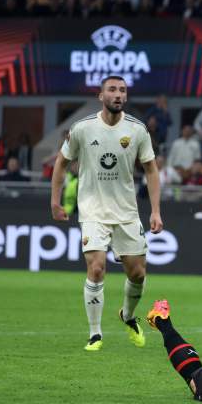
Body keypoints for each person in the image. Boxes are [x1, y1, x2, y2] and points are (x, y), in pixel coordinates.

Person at [50, 75, 163, 351]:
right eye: (112, 89)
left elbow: (151, 170)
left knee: (138, 274)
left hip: (126, 212)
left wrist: (155, 211)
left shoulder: (137, 130)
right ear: (101, 96)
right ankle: (95, 334)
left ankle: (128, 315)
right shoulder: (82, 128)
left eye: (122, 90)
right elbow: (61, 162)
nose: (118, 94)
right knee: (96, 267)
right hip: (93, 210)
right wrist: (55, 201)